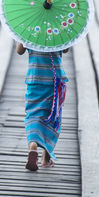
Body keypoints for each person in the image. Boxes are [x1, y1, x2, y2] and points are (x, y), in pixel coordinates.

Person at [17, 42, 69, 171]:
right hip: (54, 81)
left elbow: (19, 50)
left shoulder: (30, 31)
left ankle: (33, 144)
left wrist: (24, 40)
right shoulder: (58, 32)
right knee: (52, 117)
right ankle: (45, 158)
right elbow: (66, 48)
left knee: (33, 115)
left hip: (34, 80)